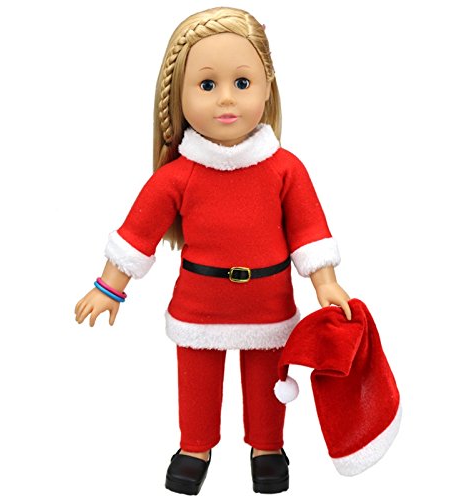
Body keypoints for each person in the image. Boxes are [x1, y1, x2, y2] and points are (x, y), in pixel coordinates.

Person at [75, 7, 351, 495]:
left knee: (266, 383)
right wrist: (108, 288)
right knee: (197, 381)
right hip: (199, 305)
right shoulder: (177, 177)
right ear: (178, 96)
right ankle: (195, 448)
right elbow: (138, 234)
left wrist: (325, 282)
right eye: (207, 85)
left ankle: (267, 448)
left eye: (242, 83)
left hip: (268, 304)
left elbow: (309, 229)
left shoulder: (285, 169)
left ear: (267, 87)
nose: (226, 98)